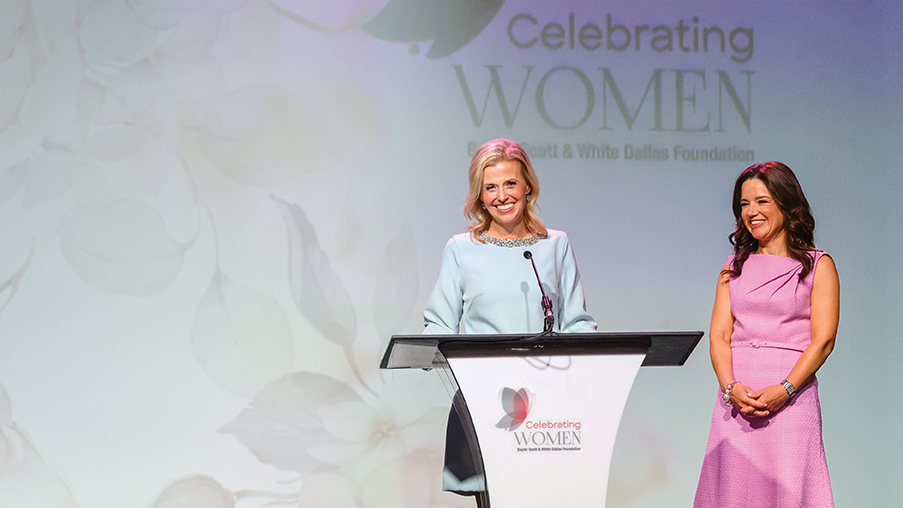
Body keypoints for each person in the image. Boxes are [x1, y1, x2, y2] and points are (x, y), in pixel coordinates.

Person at [422, 139, 597, 504]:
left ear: (527, 186)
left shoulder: (554, 245)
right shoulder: (461, 248)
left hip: (547, 400)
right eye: (490, 187)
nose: (502, 195)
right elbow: (438, 323)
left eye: (510, 184)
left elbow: (577, 322)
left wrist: (597, 356)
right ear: (480, 196)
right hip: (483, 396)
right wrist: (426, 348)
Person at [695, 162, 840, 508]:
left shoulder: (818, 265)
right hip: (737, 404)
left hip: (792, 401)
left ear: (787, 203)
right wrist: (731, 388)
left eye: (762, 201)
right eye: (744, 204)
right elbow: (719, 336)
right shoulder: (733, 268)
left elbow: (823, 341)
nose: (751, 212)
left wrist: (785, 389)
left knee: (788, 490)